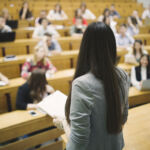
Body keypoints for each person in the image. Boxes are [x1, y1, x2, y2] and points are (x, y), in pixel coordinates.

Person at [54, 22, 130, 150]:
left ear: (85, 46)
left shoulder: (82, 84)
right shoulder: (123, 75)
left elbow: (78, 143)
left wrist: (64, 123)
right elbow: (123, 118)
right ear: (112, 46)